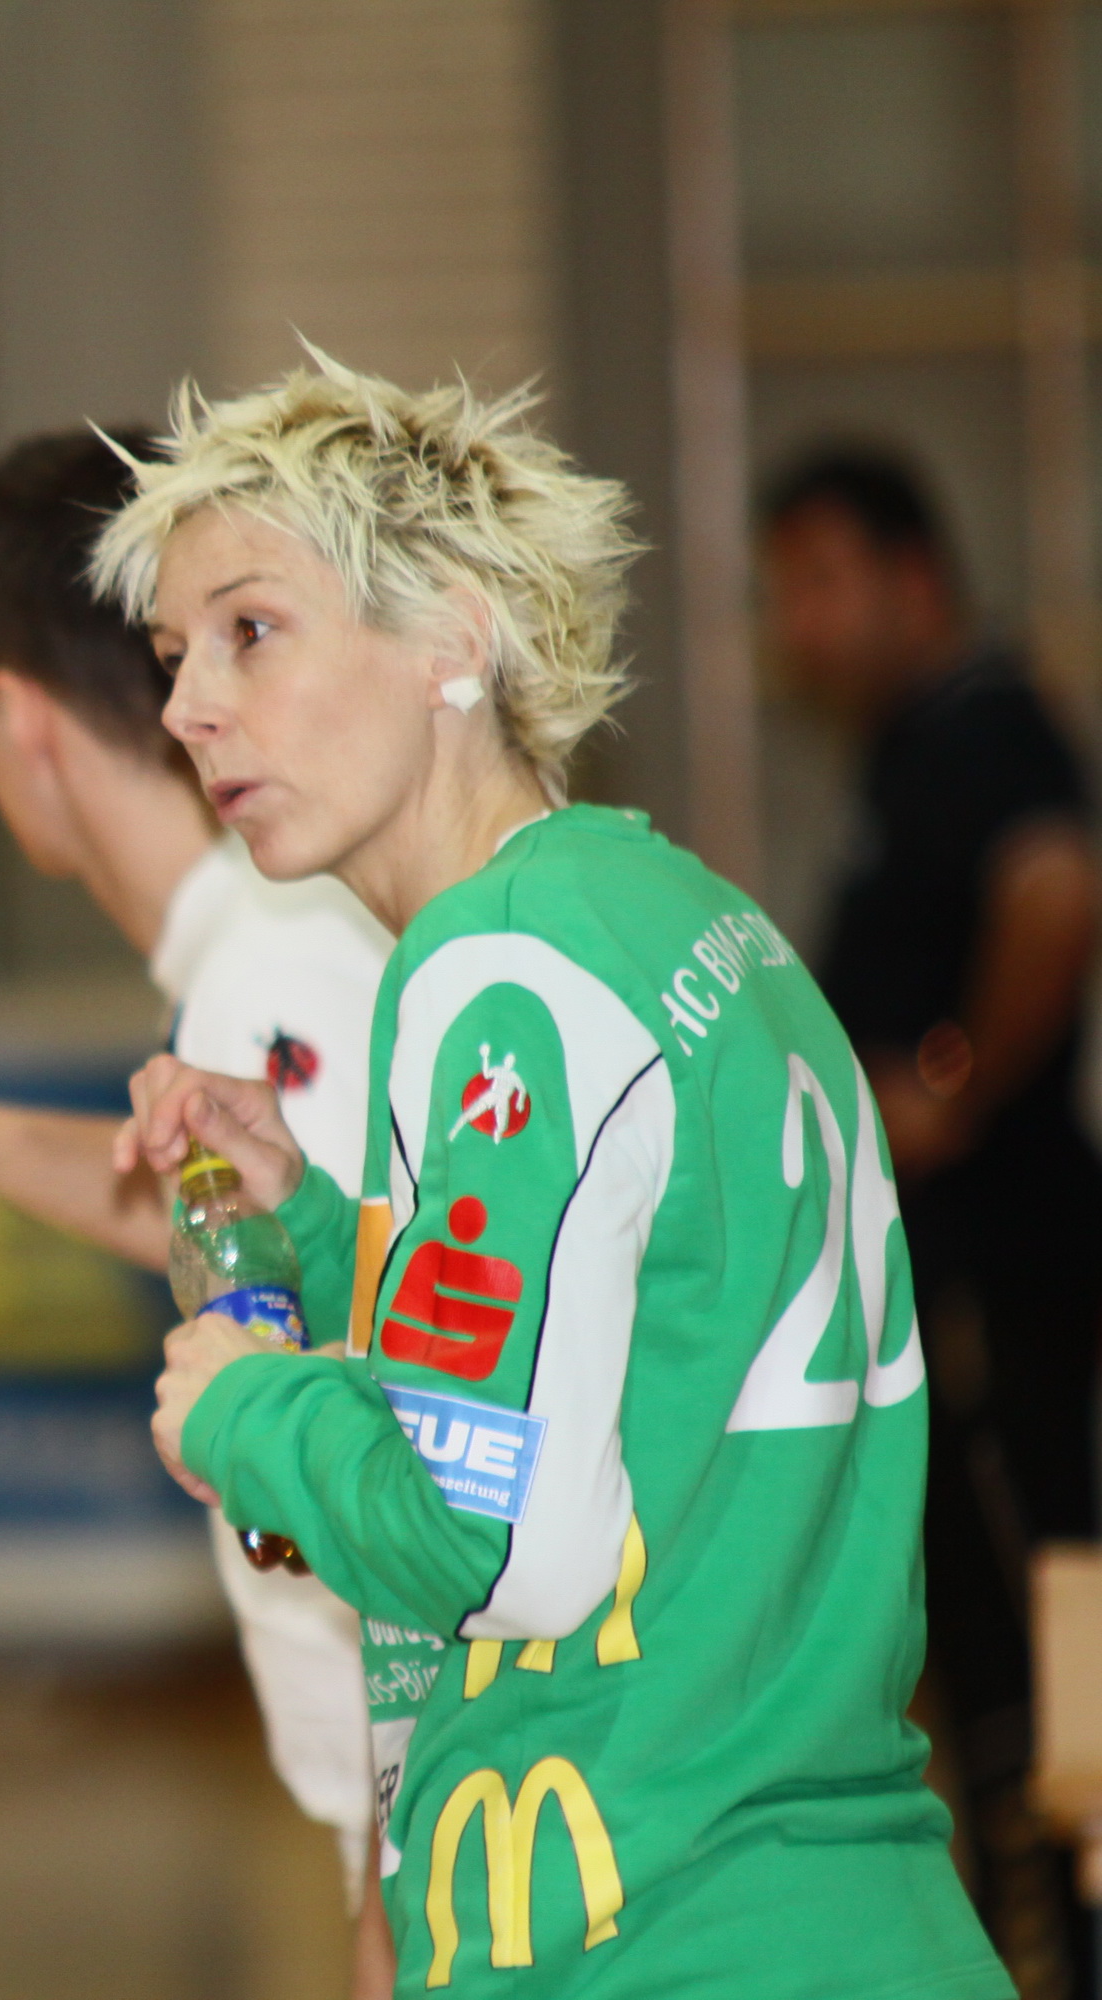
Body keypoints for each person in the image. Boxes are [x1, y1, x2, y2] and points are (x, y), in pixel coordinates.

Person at [109, 353, 1008, 1996]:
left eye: (251, 630)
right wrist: (315, 1217)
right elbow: (620, 1363)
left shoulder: (501, 972)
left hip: (664, 1932)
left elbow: (496, 1538)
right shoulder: (667, 914)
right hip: (823, 1908)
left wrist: (242, 1410)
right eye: (174, 659)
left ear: (455, 637)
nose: (187, 709)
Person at [0, 429, 394, 1980]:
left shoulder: (276, 963)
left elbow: (382, 1361)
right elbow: (265, 1228)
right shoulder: (266, 944)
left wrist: (400, 1852)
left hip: (436, 1759)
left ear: (21, 722)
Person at [762, 445, 1101, 1998]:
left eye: (821, 583)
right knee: (970, 1646)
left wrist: (952, 1086)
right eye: (783, 593)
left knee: (1036, 1635)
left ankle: (1063, 1949)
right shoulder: (908, 751)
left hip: (1000, 1272)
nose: (799, 625)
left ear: (915, 578)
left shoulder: (985, 726)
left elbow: (1055, 894)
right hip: (948, 1271)